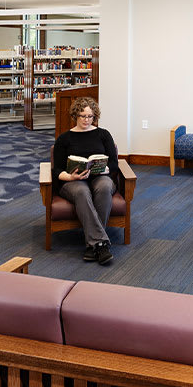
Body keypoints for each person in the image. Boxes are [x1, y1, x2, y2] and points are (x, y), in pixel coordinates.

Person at [51, 96, 121, 265]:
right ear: (75, 115)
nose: (87, 120)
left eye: (90, 116)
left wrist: (104, 169)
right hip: (73, 181)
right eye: (83, 116)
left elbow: (114, 163)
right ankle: (101, 245)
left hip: (100, 176)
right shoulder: (64, 138)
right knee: (82, 191)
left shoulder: (103, 134)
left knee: (104, 187)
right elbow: (57, 169)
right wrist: (71, 176)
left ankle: (93, 245)